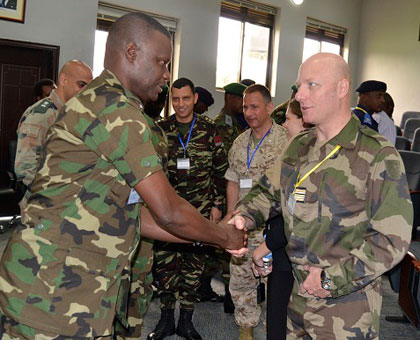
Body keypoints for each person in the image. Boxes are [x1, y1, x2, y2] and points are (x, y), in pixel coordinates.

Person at [0, 12, 245, 339]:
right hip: (52, 293)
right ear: (132, 53)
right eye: (162, 63)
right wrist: (225, 237)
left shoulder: (103, 102)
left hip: (68, 289)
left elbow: (135, 215)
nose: (166, 75)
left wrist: (207, 232)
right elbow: (168, 211)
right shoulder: (115, 111)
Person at [231, 53, 412, 339]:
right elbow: (267, 192)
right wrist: (243, 217)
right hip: (297, 303)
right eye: (299, 86)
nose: (300, 95)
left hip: (347, 311)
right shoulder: (298, 147)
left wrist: (330, 280)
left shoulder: (377, 155)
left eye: (311, 85)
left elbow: (391, 240)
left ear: (341, 89)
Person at [148, 77, 228, 340]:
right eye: (176, 99)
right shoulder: (161, 130)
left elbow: (220, 171)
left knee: (193, 269)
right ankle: (166, 319)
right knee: (166, 267)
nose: (181, 104)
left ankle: (187, 321)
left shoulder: (209, 129)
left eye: (185, 98)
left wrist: (217, 205)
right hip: (166, 213)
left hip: (200, 212)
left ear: (194, 99)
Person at [225, 84, 288, 340]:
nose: (249, 112)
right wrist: (231, 215)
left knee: (274, 286)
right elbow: (232, 180)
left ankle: (272, 331)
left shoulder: (287, 142)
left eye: (254, 106)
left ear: (269, 107)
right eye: (245, 107)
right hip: (243, 226)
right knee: (240, 281)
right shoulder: (240, 143)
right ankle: (245, 330)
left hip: (273, 230)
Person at [114, 85, 169, 340]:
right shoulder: (145, 128)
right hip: (132, 220)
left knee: (127, 285)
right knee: (135, 285)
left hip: (123, 220)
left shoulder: (126, 122)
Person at [14, 60, 93, 210]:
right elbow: (25, 167)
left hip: (67, 202)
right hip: (43, 204)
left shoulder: (74, 113)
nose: (86, 91)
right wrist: (58, 192)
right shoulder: (41, 115)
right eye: (81, 85)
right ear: (63, 80)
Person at [214, 82, 248, 155]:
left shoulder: (233, 120)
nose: (243, 104)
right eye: (241, 99)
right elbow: (223, 153)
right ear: (229, 97)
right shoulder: (221, 123)